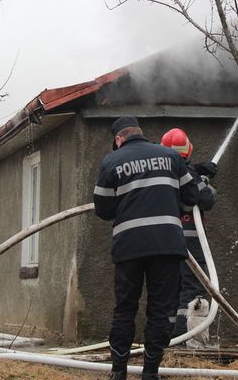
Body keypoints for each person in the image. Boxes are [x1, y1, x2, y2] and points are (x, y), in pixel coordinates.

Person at [94, 116, 200, 380]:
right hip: (167, 245)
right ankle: (150, 372)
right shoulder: (170, 157)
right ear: (140, 133)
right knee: (161, 309)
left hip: (129, 247)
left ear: (119, 139)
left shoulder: (111, 161)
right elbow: (192, 196)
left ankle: (118, 372)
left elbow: (103, 209)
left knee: (125, 308)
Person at [159, 128, 217, 342]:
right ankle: (185, 337)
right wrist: (203, 181)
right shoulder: (189, 175)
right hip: (190, 241)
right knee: (192, 285)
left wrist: (197, 169)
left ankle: (170, 335)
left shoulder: (163, 173)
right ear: (188, 150)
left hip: (167, 239)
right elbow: (206, 200)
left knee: (171, 287)